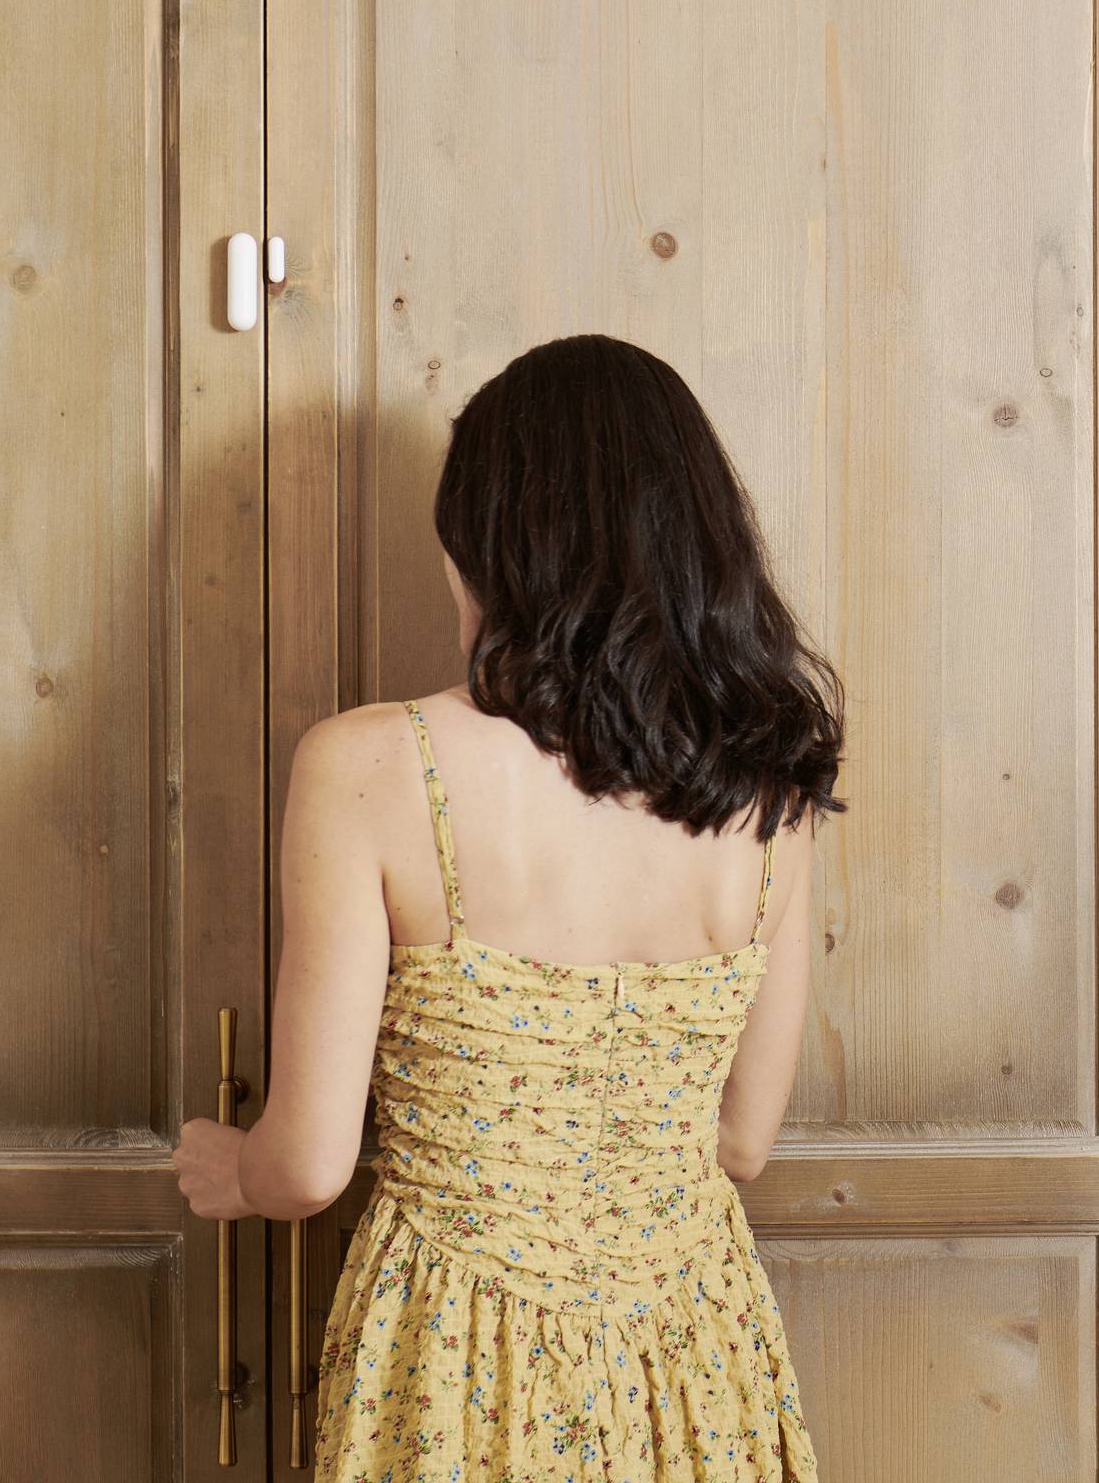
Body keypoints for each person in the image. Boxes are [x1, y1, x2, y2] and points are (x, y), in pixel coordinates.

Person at [176, 334, 840, 1480]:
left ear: (494, 542)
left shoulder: (371, 765)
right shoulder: (766, 793)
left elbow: (309, 1163)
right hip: (689, 1355)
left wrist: (232, 1167)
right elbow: (740, 1140)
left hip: (455, 1358)